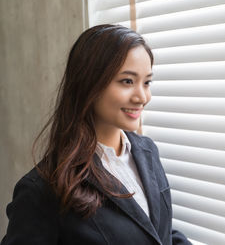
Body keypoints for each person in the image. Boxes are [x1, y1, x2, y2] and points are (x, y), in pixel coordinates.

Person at [1, 24, 192, 245]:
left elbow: (158, 233)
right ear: (89, 83)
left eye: (147, 82)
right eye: (127, 81)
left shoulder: (147, 151)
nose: (142, 96)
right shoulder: (41, 190)